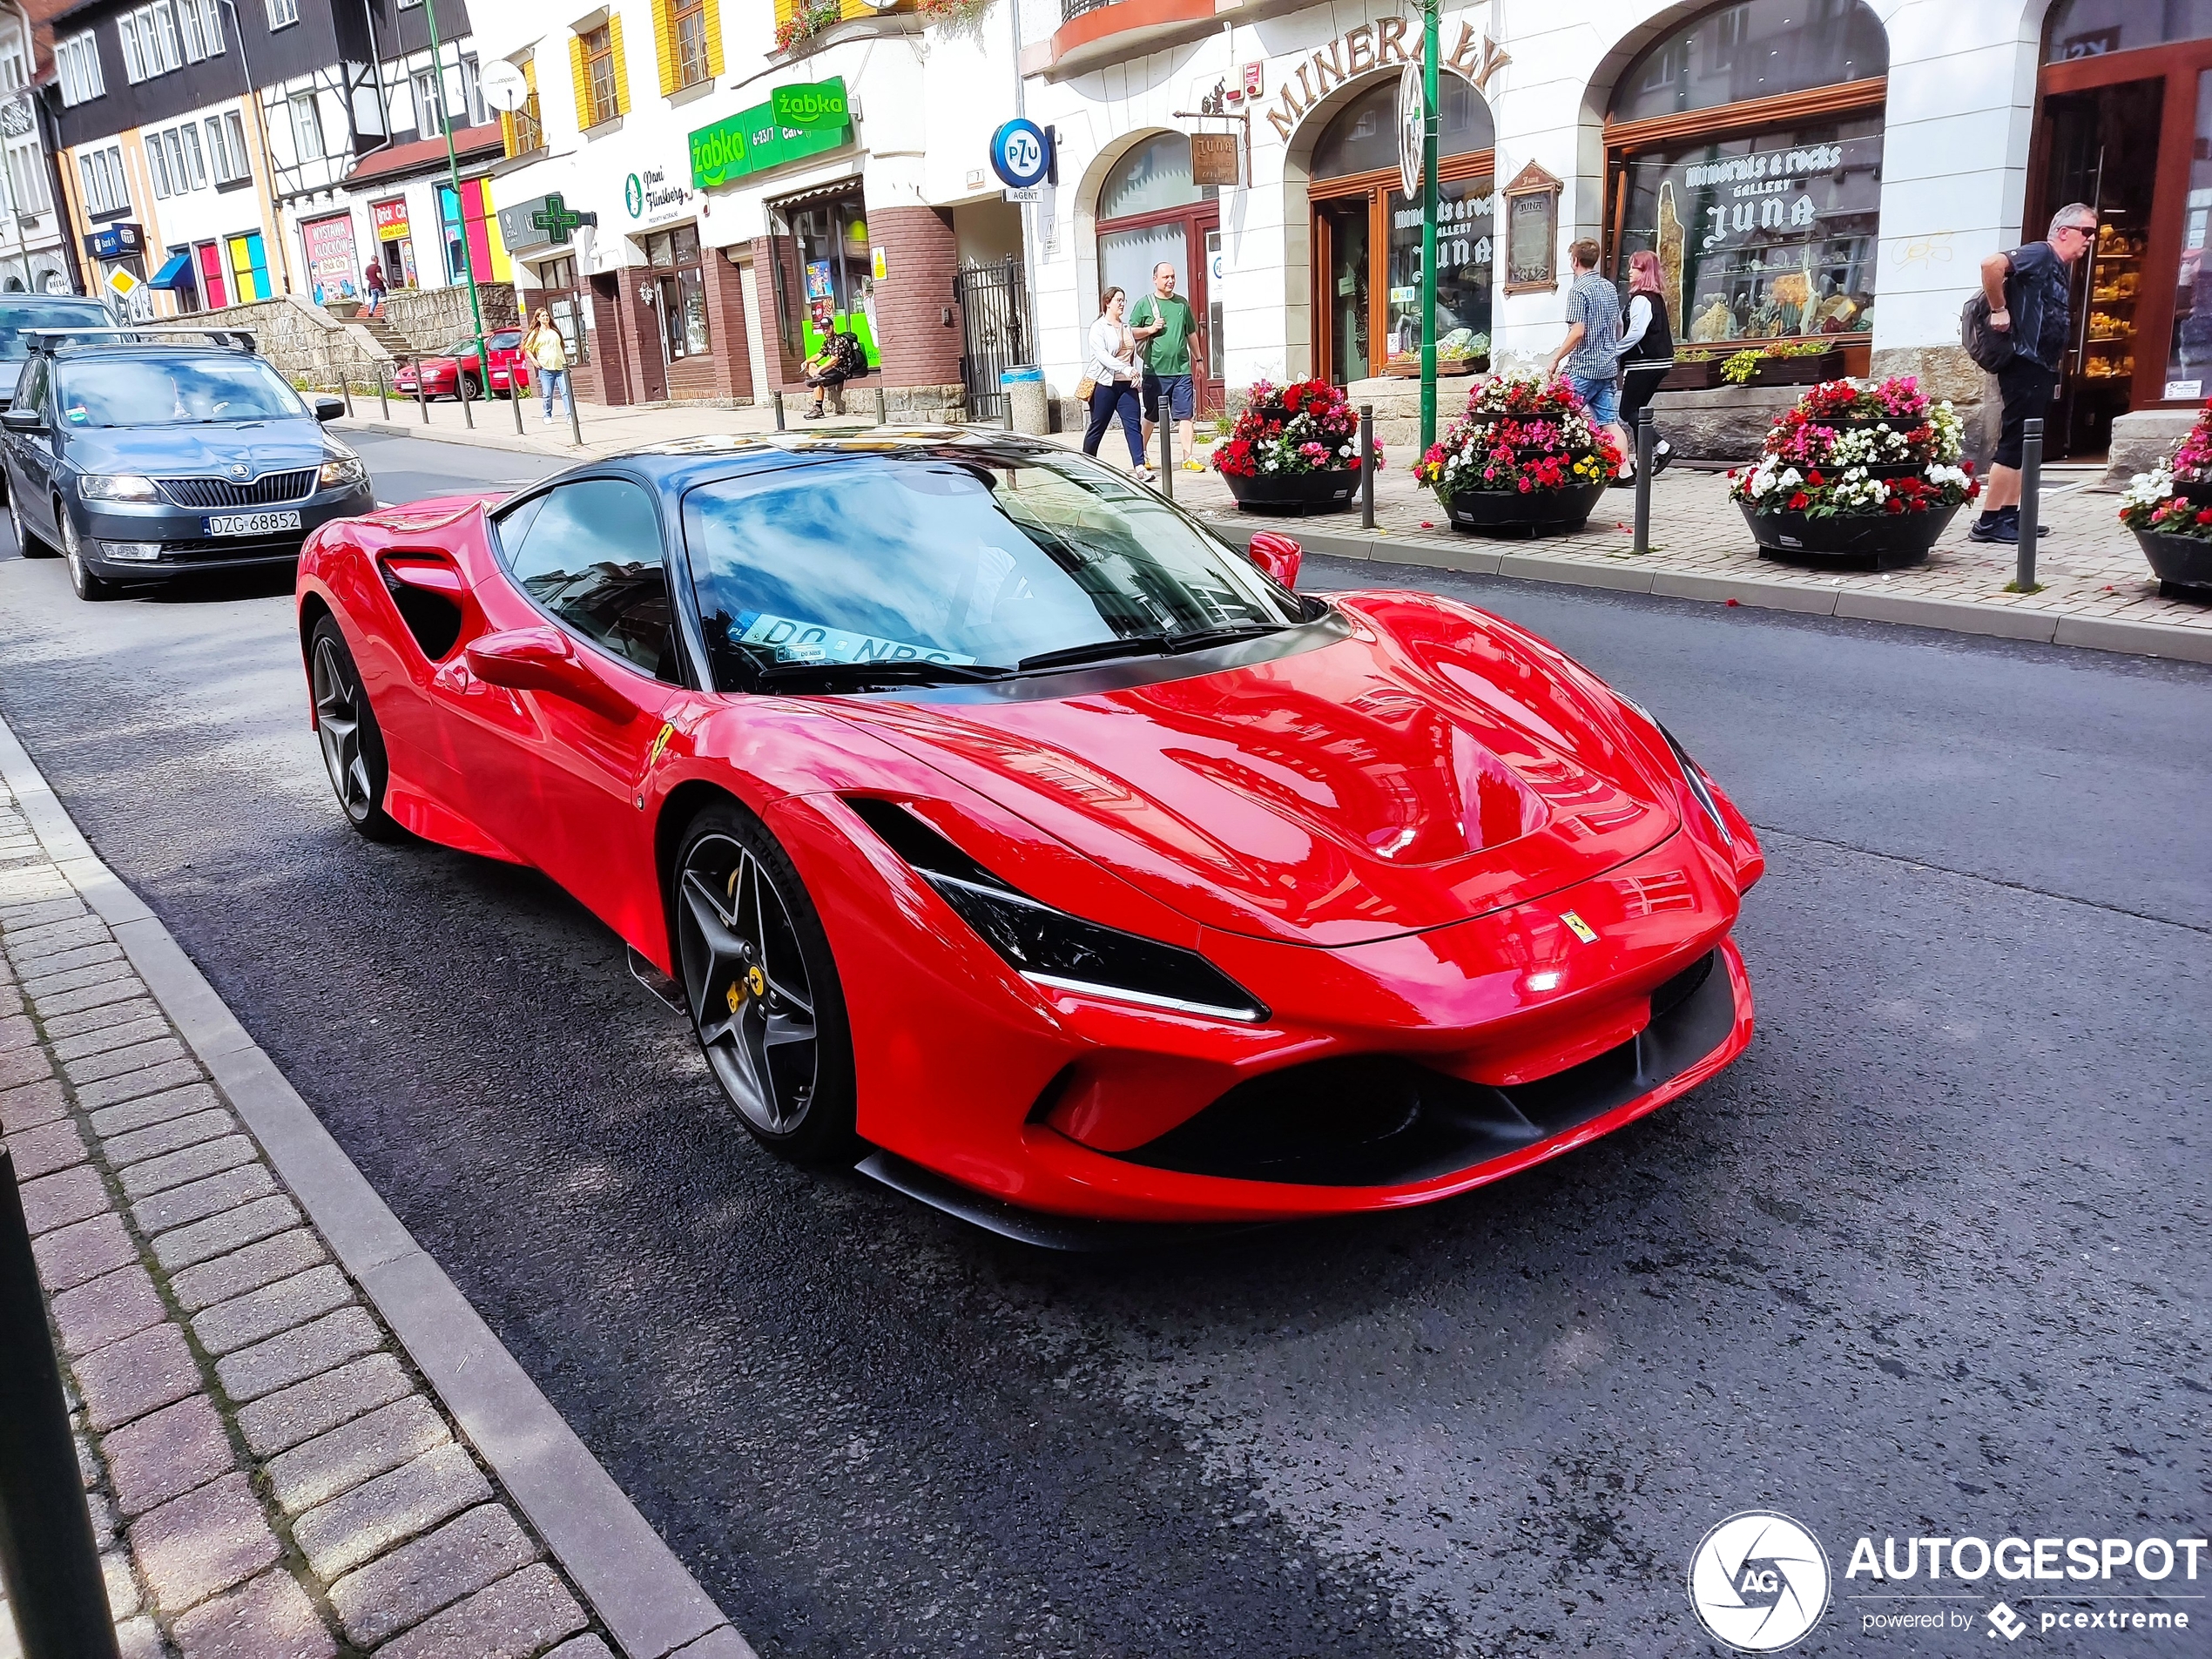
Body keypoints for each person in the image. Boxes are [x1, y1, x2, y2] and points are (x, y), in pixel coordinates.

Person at [1973, 203, 2098, 544]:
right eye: (2086, 231)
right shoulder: (2041, 254)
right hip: (2023, 363)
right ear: (2063, 232)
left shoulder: (2058, 267)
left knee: (2028, 442)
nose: (2090, 239)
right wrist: (1999, 310)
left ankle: (2012, 517)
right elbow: (1991, 264)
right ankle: (1988, 520)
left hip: (2040, 365)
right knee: (2015, 441)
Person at [1546, 237, 1628, 460]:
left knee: (1558, 415)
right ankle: (1624, 472)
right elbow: (1618, 325)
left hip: (1583, 368)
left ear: (1575, 261)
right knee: (1610, 422)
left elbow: (1577, 332)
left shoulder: (1578, 291)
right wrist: (1611, 349)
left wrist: (1556, 358)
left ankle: (1565, 467)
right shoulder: (1608, 287)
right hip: (1607, 367)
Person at [1130, 261, 1205, 471]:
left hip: (1181, 370)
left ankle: (1188, 457)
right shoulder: (1145, 304)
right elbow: (1130, 331)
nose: (1170, 280)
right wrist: (1150, 329)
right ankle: (1141, 455)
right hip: (1154, 371)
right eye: (1165, 277)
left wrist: (1198, 360)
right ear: (1155, 279)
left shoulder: (1182, 304)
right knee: (1151, 415)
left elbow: (1191, 333)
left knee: (1185, 415)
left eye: (1173, 276)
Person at [1613, 248, 1674, 484]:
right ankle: (1643, 462)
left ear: (1645, 271)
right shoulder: (1652, 297)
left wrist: (1615, 351)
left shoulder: (1641, 299)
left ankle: (1662, 446)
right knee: (1639, 412)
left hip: (1645, 362)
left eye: (1634, 267)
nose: (1629, 271)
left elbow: (1637, 332)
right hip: (1656, 361)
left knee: (1627, 412)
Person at [1082, 287, 1151, 483]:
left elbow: (1130, 355)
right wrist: (1126, 369)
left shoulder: (1127, 327)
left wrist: (1134, 374)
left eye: (1123, 300)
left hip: (1126, 386)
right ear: (1108, 303)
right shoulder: (1098, 327)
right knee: (1098, 425)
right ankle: (1087, 462)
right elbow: (1103, 356)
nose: (1122, 304)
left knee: (1133, 426)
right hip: (1105, 384)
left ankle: (1140, 467)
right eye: (1118, 300)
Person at [521, 307, 571, 425]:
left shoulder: (554, 331)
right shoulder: (535, 333)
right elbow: (526, 348)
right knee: (547, 393)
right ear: (538, 318)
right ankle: (547, 415)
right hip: (545, 368)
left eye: (547, 315)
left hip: (560, 367)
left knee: (566, 392)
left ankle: (570, 416)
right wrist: (533, 360)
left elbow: (560, 346)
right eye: (543, 316)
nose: (545, 318)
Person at [800, 327, 864, 419]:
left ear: (832, 327)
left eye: (827, 328)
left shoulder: (840, 340)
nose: (826, 331)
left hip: (842, 370)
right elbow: (819, 355)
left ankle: (818, 409)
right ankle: (816, 377)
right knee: (811, 365)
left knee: (817, 381)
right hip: (833, 369)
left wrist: (820, 369)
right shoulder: (828, 342)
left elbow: (835, 359)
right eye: (824, 329)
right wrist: (806, 361)